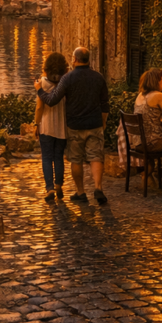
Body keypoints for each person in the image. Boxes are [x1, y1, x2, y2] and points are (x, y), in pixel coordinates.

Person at [36, 46, 110, 205]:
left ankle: (81, 192)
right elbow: (105, 104)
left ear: (75, 59)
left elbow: (52, 100)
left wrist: (39, 91)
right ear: (88, 60)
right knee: (96, 156)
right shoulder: (99, 77)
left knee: (76, 159)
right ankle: (98, 188)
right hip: (95, 123)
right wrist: (103, 122)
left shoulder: (68, 78)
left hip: (75, 125)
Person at [34, 52, 69, 203]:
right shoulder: (66, 83)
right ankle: (59, 184)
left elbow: (39, 107)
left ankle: (50, 188)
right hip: (62, 125)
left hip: (47, 125)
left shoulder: (42, 83)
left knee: (47, 157)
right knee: (58, 156)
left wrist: (36, 123)